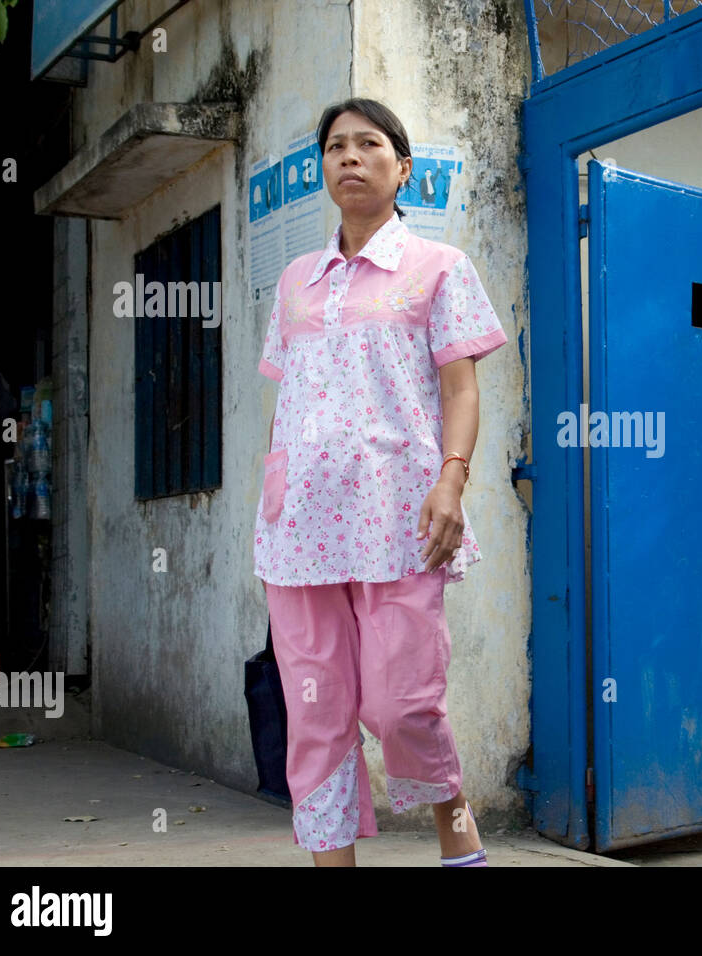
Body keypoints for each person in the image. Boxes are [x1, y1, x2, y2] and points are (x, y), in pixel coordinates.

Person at [253, 98, 507, 867]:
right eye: (335, 146)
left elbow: (461, 391)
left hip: (401, 521)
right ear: (323, 168)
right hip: (298, 533)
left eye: (369, 145)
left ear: (403, 169)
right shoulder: (297, 281)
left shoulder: (437, 269)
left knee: (400, 707)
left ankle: (456, 837)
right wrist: (273, 493)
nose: (350, 157)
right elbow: (287, 397)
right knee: (317, 713)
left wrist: (451, 483)